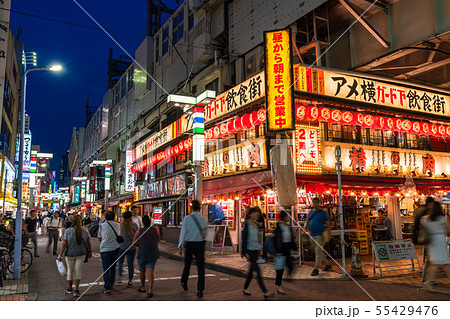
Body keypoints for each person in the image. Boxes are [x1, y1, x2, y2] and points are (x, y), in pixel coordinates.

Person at [58, 215, 92, 297]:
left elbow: (64, 244)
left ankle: (70, 288)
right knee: (78, 270)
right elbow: (88, 242)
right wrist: (90, 251)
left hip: (70, 253)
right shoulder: (85, 230)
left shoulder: (68, 230)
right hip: (81, 253)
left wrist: (60, 255)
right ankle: (76, 290)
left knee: (70, 271)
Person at [178, 200, 207, 298]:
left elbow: (183, 232)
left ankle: (184, 282)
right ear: (199, 208)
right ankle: (200, 290)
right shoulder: (203, 219)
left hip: (189, 244)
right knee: (201, 268)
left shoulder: (187, 219)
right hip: (199, 244)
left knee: (187, 265)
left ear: (191, 208)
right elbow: (205, 233)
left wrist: (180, 246)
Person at [241, 207, 271, 298]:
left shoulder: (257, 225)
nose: (257, 214)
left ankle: (245, 288)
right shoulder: (246, 225)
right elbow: (244, 239)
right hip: (250, 250)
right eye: (255, 213)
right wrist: (244, 252)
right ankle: (265, 291)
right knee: (257, 270)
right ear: (250, 214)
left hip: (256, 250)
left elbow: (258, 238)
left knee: (251, 272)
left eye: (258, 213)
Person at [421, 201, 450, 291]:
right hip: (440, 240)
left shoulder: (425, 218)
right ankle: (428, 282)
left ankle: (428, 282)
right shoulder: (442, 218)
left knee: (435, 263)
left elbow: (423, 230)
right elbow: (448, 229)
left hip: (431, 241)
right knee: (444, 262)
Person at [133, 215, 160, 298]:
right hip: (153, 252)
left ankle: (143, 287)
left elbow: (134, 242)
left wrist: (140, 244)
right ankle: (150, 290)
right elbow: (158, 240)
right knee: (151, 272)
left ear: (143, 223)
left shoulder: (139, 231)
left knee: (142, 271)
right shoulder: (156, 230)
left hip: (142, 253)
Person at [306, 197, 331, 276]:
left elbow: (328, 223)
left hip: (320, 234)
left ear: (318, 203)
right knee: (318, 251)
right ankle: (327, 264)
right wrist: (304, 229)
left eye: (316, 202)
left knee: (318, 251)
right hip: (312, 234)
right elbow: (308, 221)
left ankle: (316, 269)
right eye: (313, 203)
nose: (315, 204)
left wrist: (329, 232)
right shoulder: (311, 212)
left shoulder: (323, 213)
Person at [274, 210, 297, 294]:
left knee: (290, 266)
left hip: (287, 248)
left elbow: (291, 239)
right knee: (280, 269)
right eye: (287, 216)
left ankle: (287, 277)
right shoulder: (279, 227)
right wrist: (278, 251)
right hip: (281, 249)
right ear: (284, 217)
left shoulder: (288, 227)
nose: (288, 217)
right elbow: (277, 240)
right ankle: (279, 286)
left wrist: (294, 248)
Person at [98, 211, 120, 295]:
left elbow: (99, 237)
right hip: (115, 248)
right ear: (114, 217)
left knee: (106, 269)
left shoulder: (102, 226)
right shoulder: (118, 225)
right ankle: (111, 283)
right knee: (113, 267)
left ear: (105, 218)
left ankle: (107, 287)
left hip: (105, 249)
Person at [413, 197, 434, 282]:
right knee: (430, 258)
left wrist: (416, 236)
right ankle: (426, 278)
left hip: (424, 237)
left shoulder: (419, 210)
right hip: (428, 237)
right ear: (430, 203)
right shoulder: (427, 212)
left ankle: (426, 277)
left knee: (429, 258)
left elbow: (416, 225)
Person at [117, 211, 138, 288]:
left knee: (120, 262)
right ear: (131, 217)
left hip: (122, 247)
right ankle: (130, 281)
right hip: (132, 247)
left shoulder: (121, 225)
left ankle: (120, 277)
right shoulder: (134, 225)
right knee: (130, 264)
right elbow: (137, 235)